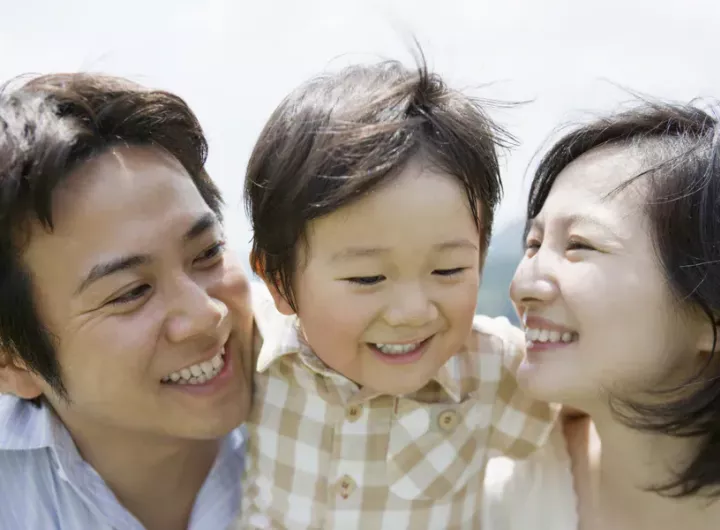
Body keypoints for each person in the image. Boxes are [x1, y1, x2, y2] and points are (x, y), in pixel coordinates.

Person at [238, 55, 559, 529]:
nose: (412, 312)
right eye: (368, 278)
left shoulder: (493, 369)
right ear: (279, 283)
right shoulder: (254, 344)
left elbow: (594, 418)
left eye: (448, 269)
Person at [0, 73, 256, 530]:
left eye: (208, 253)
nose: (206, 315)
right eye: (131, 292)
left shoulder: (356, 416)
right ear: (11, 363)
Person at [483, 100, 720, 529]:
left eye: (579, 245)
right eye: (533, 245)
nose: (522, 285)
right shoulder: (504, 498)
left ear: (710, 316)